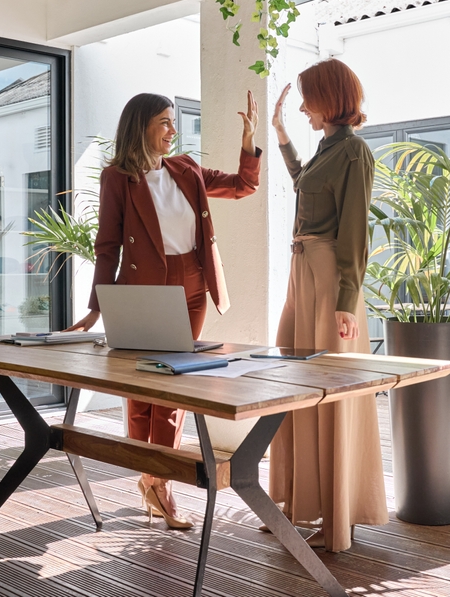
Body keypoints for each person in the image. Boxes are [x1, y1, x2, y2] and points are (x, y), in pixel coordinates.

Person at [66, 91, 261, 529]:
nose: (173, 130)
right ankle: (152, 476)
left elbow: (243, 186)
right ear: (142, 126)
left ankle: (160, 481)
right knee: (143, 392)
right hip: (144, 290)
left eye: (174, 122)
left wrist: (248, 142)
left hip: (192, 286)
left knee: (174, 389)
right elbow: (108, 245)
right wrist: (97, 307)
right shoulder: (118, 177)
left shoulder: (186, 168)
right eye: (165, 122)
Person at [267, 59, 387, 553]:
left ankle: (340, 519)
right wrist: (279, 133)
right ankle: (299, 503)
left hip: (330, 280)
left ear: (330, 98)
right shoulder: (328, 148)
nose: (301, 108)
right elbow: (304, 182)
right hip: (302, 275)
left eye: (307, 99)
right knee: (293, 381)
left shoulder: (355, 153)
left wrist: (346, 301)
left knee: (329, 391)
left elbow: (355, 230)